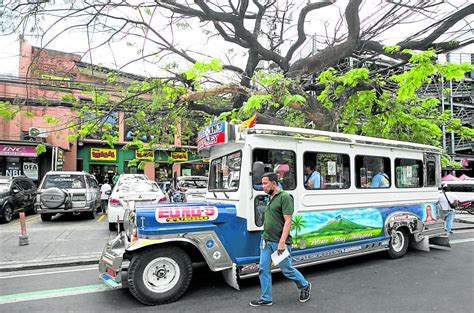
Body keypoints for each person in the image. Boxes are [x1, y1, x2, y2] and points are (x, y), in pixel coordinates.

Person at [249, 172, 311, 307]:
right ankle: (266, 298)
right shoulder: (270, 197)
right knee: (263, 269)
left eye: (265, 183)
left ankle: (304, 285)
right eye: (262, 184)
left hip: (279, 242)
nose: (262, 187)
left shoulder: (285, 197)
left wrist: (282, 242)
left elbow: (288, 221)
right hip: (266, 240)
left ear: (274, 183)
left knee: (287, 269)